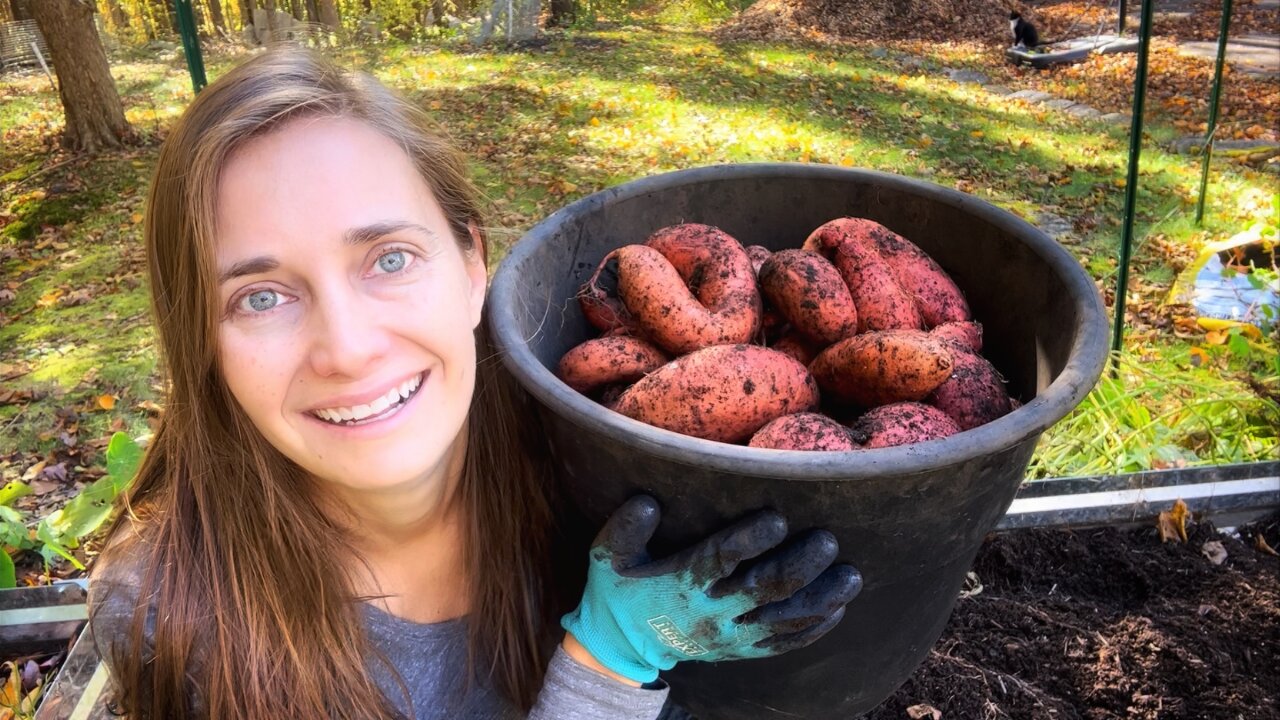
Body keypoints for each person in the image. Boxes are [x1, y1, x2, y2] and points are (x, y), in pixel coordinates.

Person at [87, 47, 862, 720]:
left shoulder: (584, 448)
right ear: (202, 344)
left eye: (389, 258)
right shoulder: (172, 617)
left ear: (470, 268)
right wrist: (607, 665)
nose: (348, 350)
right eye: (261, 297)